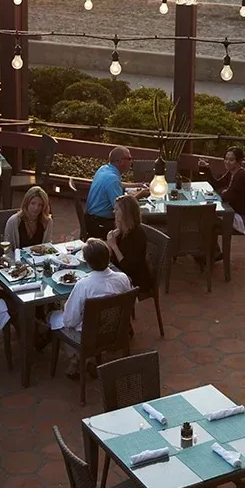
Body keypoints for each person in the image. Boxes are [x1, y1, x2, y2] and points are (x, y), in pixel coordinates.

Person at [49, 238, 133, 379]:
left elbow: (70, 321)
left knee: (54, 318)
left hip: (90, 337)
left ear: (87, 263)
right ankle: (84, 359)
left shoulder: (84, 285)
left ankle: (78, 358)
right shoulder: (123, 278)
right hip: (116, 331)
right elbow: (132, 303)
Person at [83, 147, 148, 236]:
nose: (131, 161)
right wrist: (141, 194)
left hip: (91, 218)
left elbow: (118, 184)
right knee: (134, 226)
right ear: (121, 161)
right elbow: (122, 207)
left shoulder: (105, 169)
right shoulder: (112, 179)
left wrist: (137, 185)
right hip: (99, 223)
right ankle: (124, 248)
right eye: (129, 159)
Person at [201, 147, 245, 233]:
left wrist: (225, 192)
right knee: (208, 218)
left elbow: (226, 197)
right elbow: (216, 185)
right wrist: (206, 168)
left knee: (208, 220)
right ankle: (212, 246)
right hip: (236, 212)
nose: (227, 162)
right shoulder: (232, 172)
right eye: (226, 159)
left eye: (231, 160)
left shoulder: (241, 176)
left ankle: (212, 246)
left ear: (239, 161)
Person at [106, 194, 153, 293]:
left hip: (135, 281)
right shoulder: (122, 230)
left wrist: (114, 246)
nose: (114, 212)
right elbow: (113, 259)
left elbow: (128, 268)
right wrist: (110, 244)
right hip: (120, 274)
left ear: (125, 213)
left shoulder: (137, 235)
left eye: (117, 210)